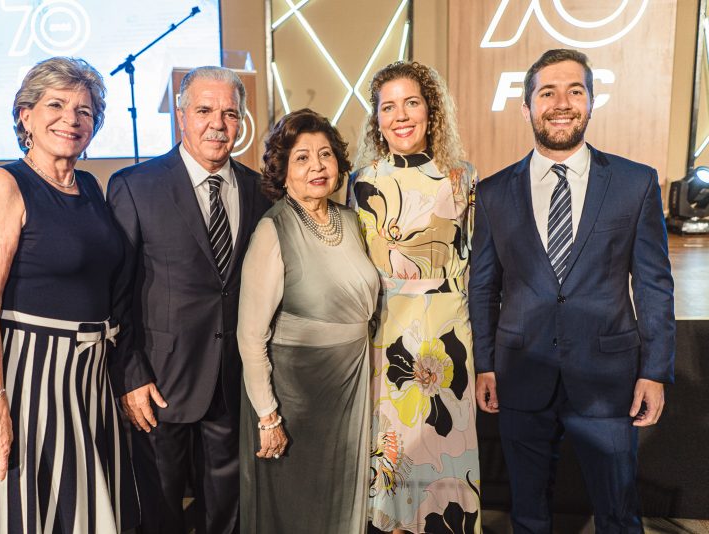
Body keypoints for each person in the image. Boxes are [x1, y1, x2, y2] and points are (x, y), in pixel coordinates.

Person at [469, 48, 676, 532]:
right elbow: (483, 287)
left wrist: (656, 370)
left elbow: (653, 284)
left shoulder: (635, 183)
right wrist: (485, 363)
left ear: (591, 101)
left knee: (619, 514)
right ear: (526, 107)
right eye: (547, 92)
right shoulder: (494, 192)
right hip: (520, 374)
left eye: (574, 90)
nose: (561, 102)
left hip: (608, 380)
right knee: (529, 515)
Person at [0, 57, 139, 533]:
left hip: (88, 381)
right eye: (55, 105)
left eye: (84, 110)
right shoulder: (3, 185)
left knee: (87, 513)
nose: (71, 119)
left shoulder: (90, 186)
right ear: (26, 116)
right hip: (30, 380)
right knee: (31, 514)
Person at [107, 66, 270, 534]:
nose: (217, 123)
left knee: (228, 510)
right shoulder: (135, 186)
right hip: (159, 382)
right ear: (181, 117)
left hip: (231, 381)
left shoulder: (261, 190)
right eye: (204, 111)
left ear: (241, 122)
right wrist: (131, 373)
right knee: (158, 511)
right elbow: (117, 293)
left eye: (230, 113)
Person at [350, 61, 481, 533]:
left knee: (447, 459)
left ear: (431, 110)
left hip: (450, 340)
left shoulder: (462, 178)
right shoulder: (362, 181)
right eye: (389, 106)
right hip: (388, 343)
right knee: (394, 464)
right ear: (377, 118)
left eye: (411, 102)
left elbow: (474, 267)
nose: (401, 115)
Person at [236, 108, 379, 534]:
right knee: (296, 511)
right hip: (295, 398)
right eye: (302, 158)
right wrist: (268, 416)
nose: (317, 166)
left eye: (325, 154)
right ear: (282, 172)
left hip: (350, 388)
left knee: (342, 505)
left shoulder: (353, 221)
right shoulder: (272, 230)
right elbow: (250, 336)